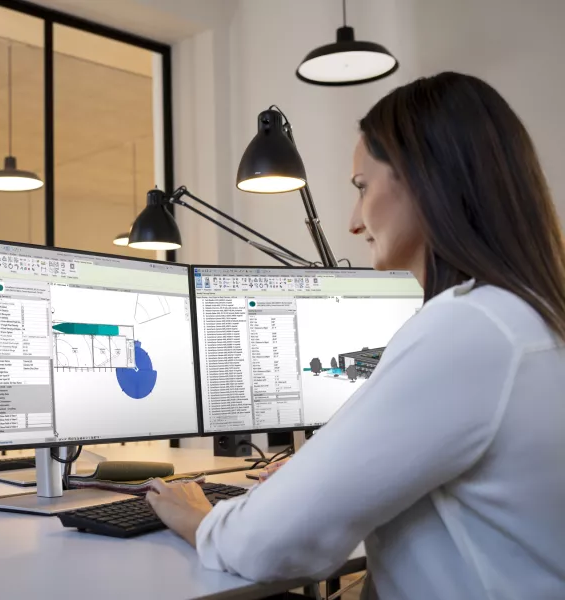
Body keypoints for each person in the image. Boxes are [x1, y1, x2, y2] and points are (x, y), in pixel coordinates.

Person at [146, 72, 565, 599]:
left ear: (423, 178)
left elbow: (267, 543)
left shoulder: (469, 328)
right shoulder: (532, 316)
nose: (352, 222)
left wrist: (198, 517)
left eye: (362, 188)